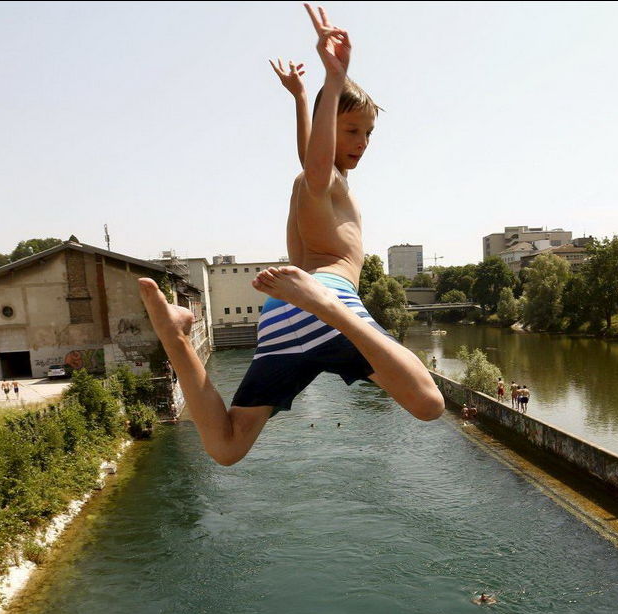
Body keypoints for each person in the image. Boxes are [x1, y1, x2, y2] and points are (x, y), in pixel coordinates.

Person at [138, 4, 443, 467]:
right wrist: (333, 79)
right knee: (429, 403)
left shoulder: (309, 186)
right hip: (324, 299)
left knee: (226, 446)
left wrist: (301, 98)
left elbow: (309, 157)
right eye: (353, 130)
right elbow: (315, 160)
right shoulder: (327, 182)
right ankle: (329, 309)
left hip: (282, 315)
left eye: (370, 133)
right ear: (329, 126)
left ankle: (176, 337)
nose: (363, 141)